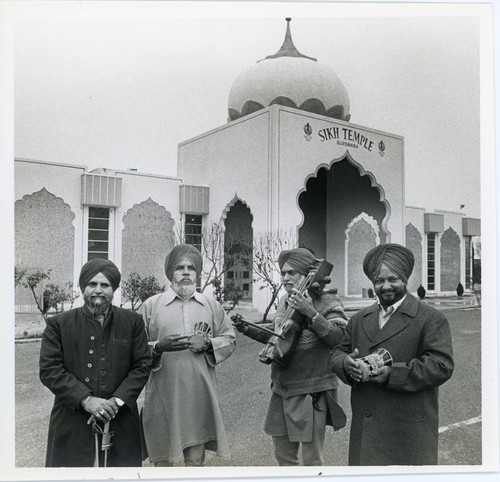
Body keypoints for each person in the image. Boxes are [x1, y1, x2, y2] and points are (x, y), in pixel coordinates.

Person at [330, 243, 454, 465]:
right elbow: (338, 352)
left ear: (405, 280)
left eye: (393, 279)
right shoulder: (359, 319)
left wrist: (391, 374)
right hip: (366, 431)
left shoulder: (430, 318)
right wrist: (345, 364)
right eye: (379, 280)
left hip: (407, 432)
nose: (386, 286)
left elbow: (441, 365)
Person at [233, 248, 348, 466]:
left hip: (312, 390)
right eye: (283, 273)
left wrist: (310, 312)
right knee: (283, 456)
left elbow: (340, 338)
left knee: (312, 460)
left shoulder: (328, 300)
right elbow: (280, 337)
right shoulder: (285, 301)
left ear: (308, 275)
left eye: (292, 273)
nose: (285, 277)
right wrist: (247, 328)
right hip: (281, 388)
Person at [39, 259, 152, 467]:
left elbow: (142, 365)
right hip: (71, 421)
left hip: (121, 420)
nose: (98, 290)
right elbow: (49, 369)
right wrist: (85, 400)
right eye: (92, 284)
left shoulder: (132, 322)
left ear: (114, 289)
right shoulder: (59, 324)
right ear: (83, 287)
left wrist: (117, 401)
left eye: (105, 285)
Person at [140, 244, 236, 466]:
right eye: (179, 268)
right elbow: (134, 349)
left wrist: (208, 344)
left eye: (191, 268)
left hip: (198, 395)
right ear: (170, 273)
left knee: (195, 460)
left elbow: (229, 338)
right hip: (163, 394)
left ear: (197, 273)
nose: (185, 272)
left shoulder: (211, 305)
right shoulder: (151, 306)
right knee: (163, 461)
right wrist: (157, 347)